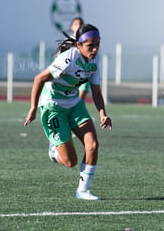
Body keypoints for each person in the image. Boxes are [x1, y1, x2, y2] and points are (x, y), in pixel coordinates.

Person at [24, 23, 112, 200]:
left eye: (98, 44)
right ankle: (54, 150)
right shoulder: (68, 59)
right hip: (53, 108)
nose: (95, 49)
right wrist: (33, 108)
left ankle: (83, 191)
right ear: (79, 45)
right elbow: (39, 79)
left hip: (74, 105)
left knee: (93, 146)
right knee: (70, 162)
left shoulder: (94, 62)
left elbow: (96, 92)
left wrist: (103, 113)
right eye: (90, 46)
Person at [70, 17, 90, 101]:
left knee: (79, 101)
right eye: (76, 24)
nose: (78, 26)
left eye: (80, 24)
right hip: (70, 74)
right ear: (72, 27)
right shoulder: (68, 42)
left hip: (83, 73)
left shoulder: (87, 41)